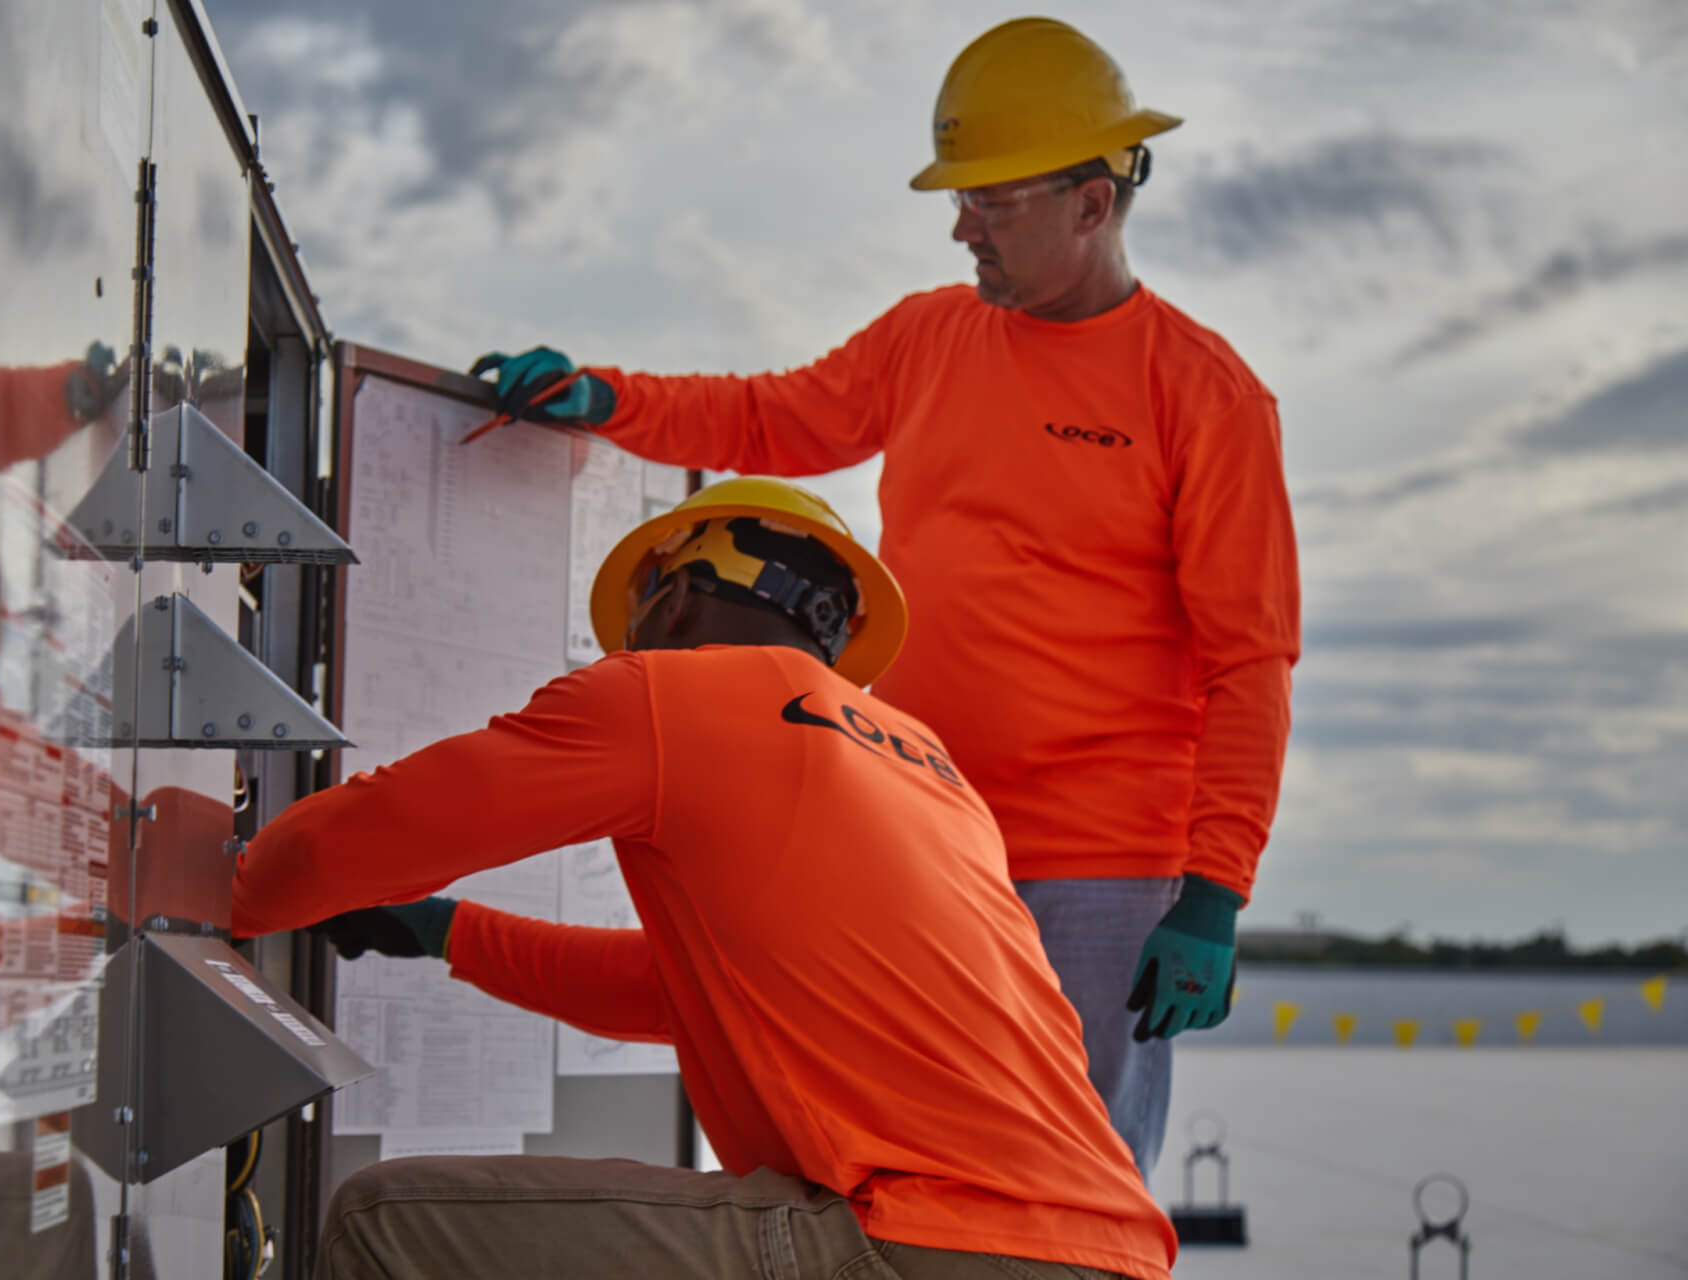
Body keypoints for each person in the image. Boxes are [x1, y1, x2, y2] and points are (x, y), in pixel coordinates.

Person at [467, 16, 1301, 1178]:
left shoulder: (1207, 395)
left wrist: (1213, 893)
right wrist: (609, 398)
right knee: (893, 1165)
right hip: (921, 831)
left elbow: (1249, 660)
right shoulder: (928, 338)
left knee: (1077, 1187)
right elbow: (770, 414)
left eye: (990, 201)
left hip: (1104, 870)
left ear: (1093, 203)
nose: (961, 226)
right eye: (958, 200)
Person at [231, 476, 1176, 1280]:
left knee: (379, 1223)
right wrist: (445, 932)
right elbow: (682, 989)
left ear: (670, 596)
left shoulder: (665, 691)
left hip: (927, 1240)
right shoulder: (926, 763)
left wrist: (208, 893)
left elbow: (347, 844)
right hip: (1105, 1241)